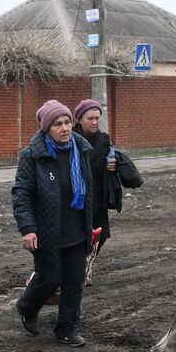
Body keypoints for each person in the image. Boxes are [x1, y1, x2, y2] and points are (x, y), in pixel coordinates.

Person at [13, 99, 95, 347]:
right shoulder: (33, 155)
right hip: (48, 232)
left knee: (74, 281)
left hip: (77, 229)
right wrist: (28, 228)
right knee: (49, 278)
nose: (64, 128)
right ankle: (27, 306)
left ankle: (67, 328)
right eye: (57, 124)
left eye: (67, 122)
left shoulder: (81, 149)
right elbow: (22, 193)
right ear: (46, 128)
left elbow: (90, 190)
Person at [72, 98, 116, 254]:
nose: (94, 122)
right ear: (79, 119)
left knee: (100, 235)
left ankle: (88, 261)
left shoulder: (104, 139)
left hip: (98, 197)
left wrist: (114, 163)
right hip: (76, 198)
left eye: (97, 118)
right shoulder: (71, 139)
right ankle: (78, 267)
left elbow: (112, 157)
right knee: (77, 237)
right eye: (89, 118)